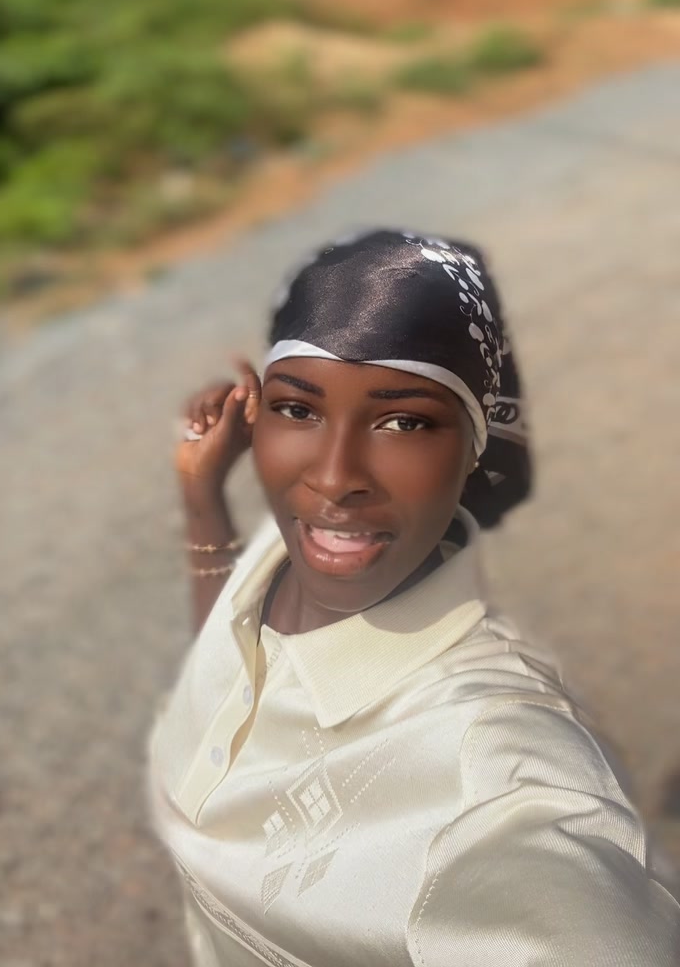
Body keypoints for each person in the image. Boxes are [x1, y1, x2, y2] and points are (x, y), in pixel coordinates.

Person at [148, 229, 679, 967]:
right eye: (298, 410)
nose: (335, 478)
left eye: (404, 422)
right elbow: (227, 660)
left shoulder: (488, 767)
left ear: (474, 449)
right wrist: (204, 502)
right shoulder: (281, 556)